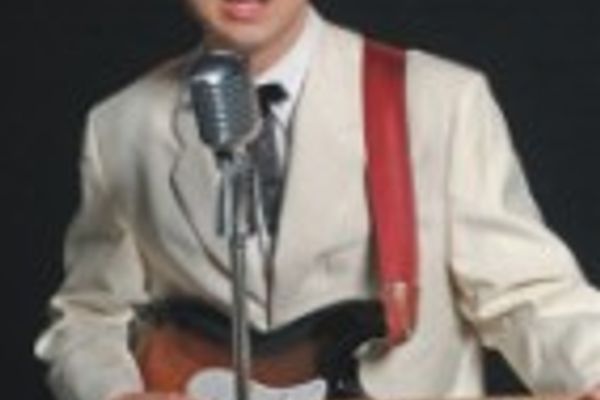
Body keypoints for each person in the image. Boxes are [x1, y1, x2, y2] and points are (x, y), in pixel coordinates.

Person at [35, 1, 600, 400]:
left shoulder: (438, 100)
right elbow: (89, 313)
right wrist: (113, 392)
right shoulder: (120, 126)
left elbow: (528, 295)